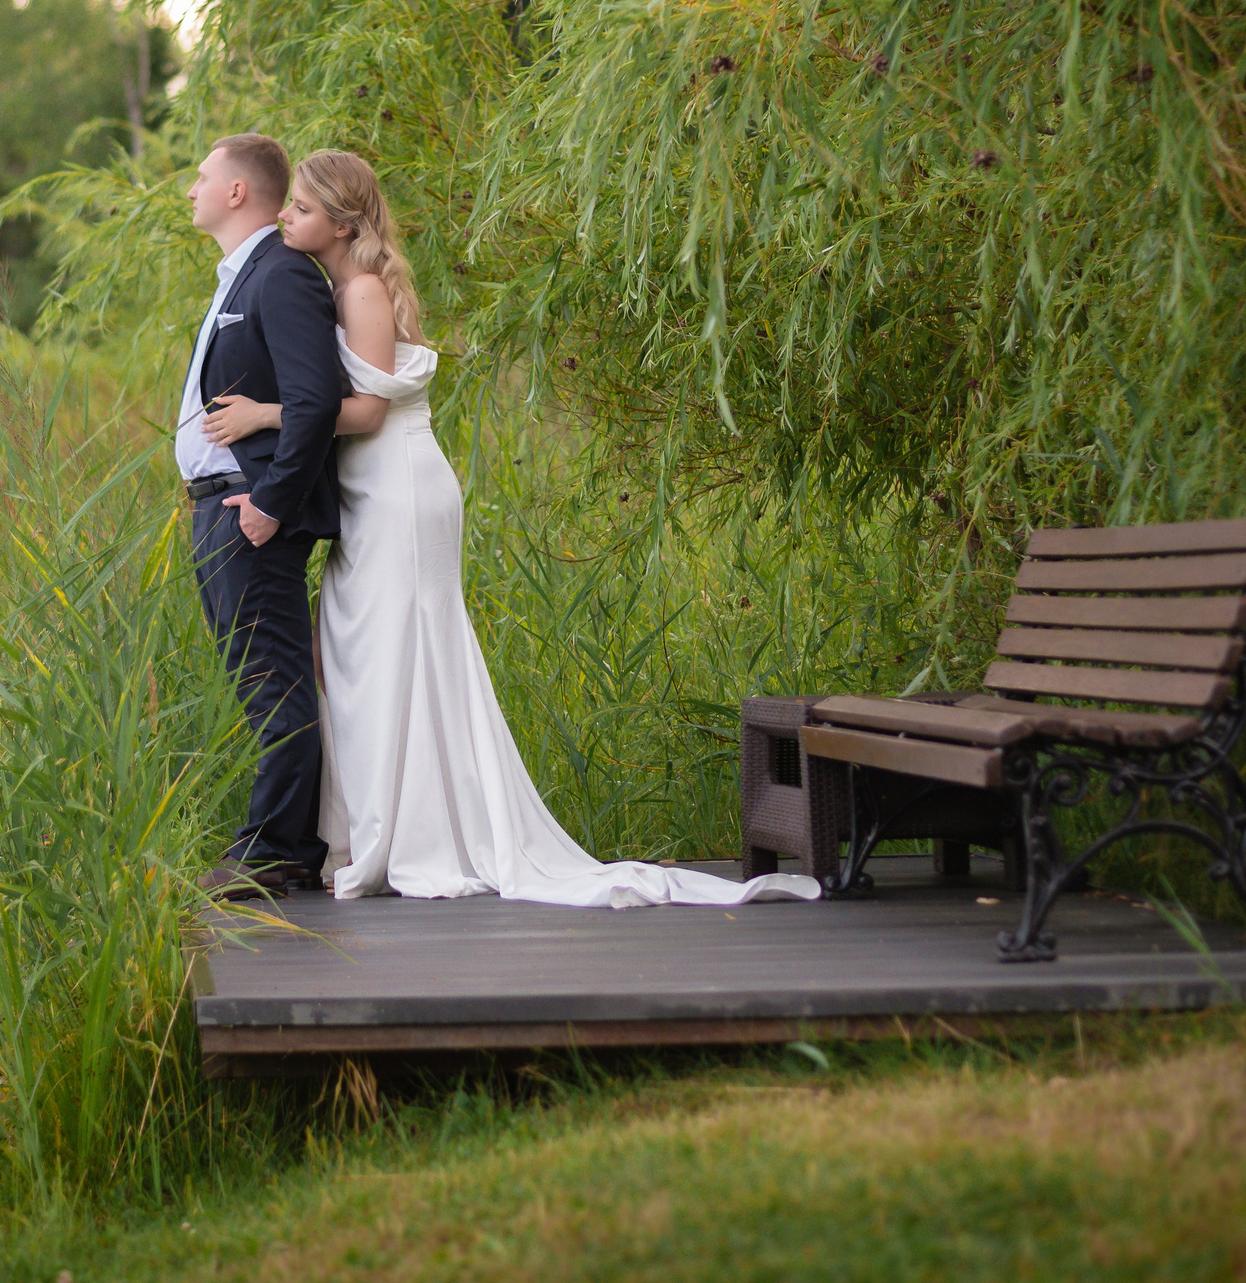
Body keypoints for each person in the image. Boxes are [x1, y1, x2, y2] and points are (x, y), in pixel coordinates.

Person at [203, 150, 818, 907]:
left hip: (396, 481)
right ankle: (382, 824)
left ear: (339, 221)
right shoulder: (333, 284)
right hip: (369, 485)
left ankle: (422, 832)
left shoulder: (361, 288)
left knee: (407, 647)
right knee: (371, 650)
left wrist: (268, 412)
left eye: (298, 208)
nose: (285, 218)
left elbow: (365, 409)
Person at [179, 133, 346, 900]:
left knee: (274, 682)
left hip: (251, 513)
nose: (193, 188)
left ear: (239, 191)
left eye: (203, 176)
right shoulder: (236, 278)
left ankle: (280, 851)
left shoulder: (281, 276)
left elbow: (314, 401)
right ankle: (277, 841)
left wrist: (271, 506)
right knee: (257, 683)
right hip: (218, 512)